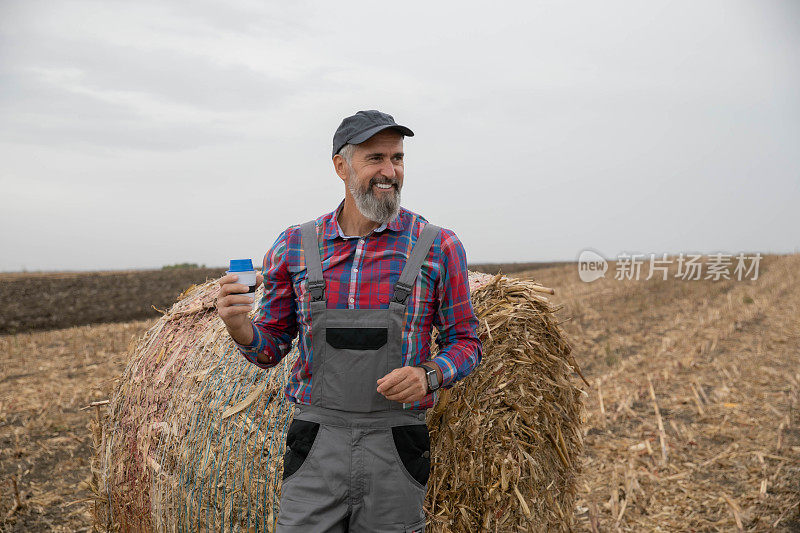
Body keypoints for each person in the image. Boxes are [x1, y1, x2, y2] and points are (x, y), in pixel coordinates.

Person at [216, 109, 482, 532]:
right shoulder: (295, 246)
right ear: (341, 166)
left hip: (395, 445)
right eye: (375, 158)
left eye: (397, 159)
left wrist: (429, 374)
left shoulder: (438, 245)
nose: (389, 171)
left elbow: (468, 342)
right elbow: (270, 349)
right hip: (317, 442)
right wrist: (240, 328)